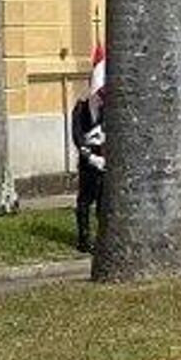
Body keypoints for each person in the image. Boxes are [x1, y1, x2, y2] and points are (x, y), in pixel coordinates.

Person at [71, 86, 105, 253]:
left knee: (103, 202)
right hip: (88, 162)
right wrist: (89, 157)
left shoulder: (109, 109)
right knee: (84, 201)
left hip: (105, 161)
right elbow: (77, 136)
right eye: (98, 94)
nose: (101, 97)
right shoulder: (81, 108)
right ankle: (84, 239)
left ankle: (102, 237)